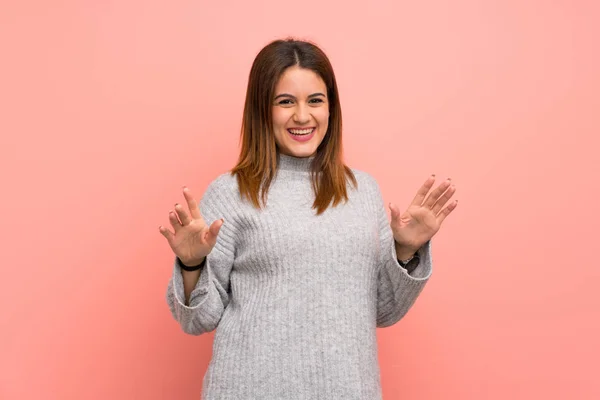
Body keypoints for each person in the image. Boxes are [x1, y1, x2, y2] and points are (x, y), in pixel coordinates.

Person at [159, 38, 457, 400]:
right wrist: (192, 264)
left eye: (315, 100)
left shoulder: (362, 191)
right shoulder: (230, 193)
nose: (303, 116)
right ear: (262, 110)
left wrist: (407, 251)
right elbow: (196, 320)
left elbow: (382, 310)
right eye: (286, 102)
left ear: (331, 107)